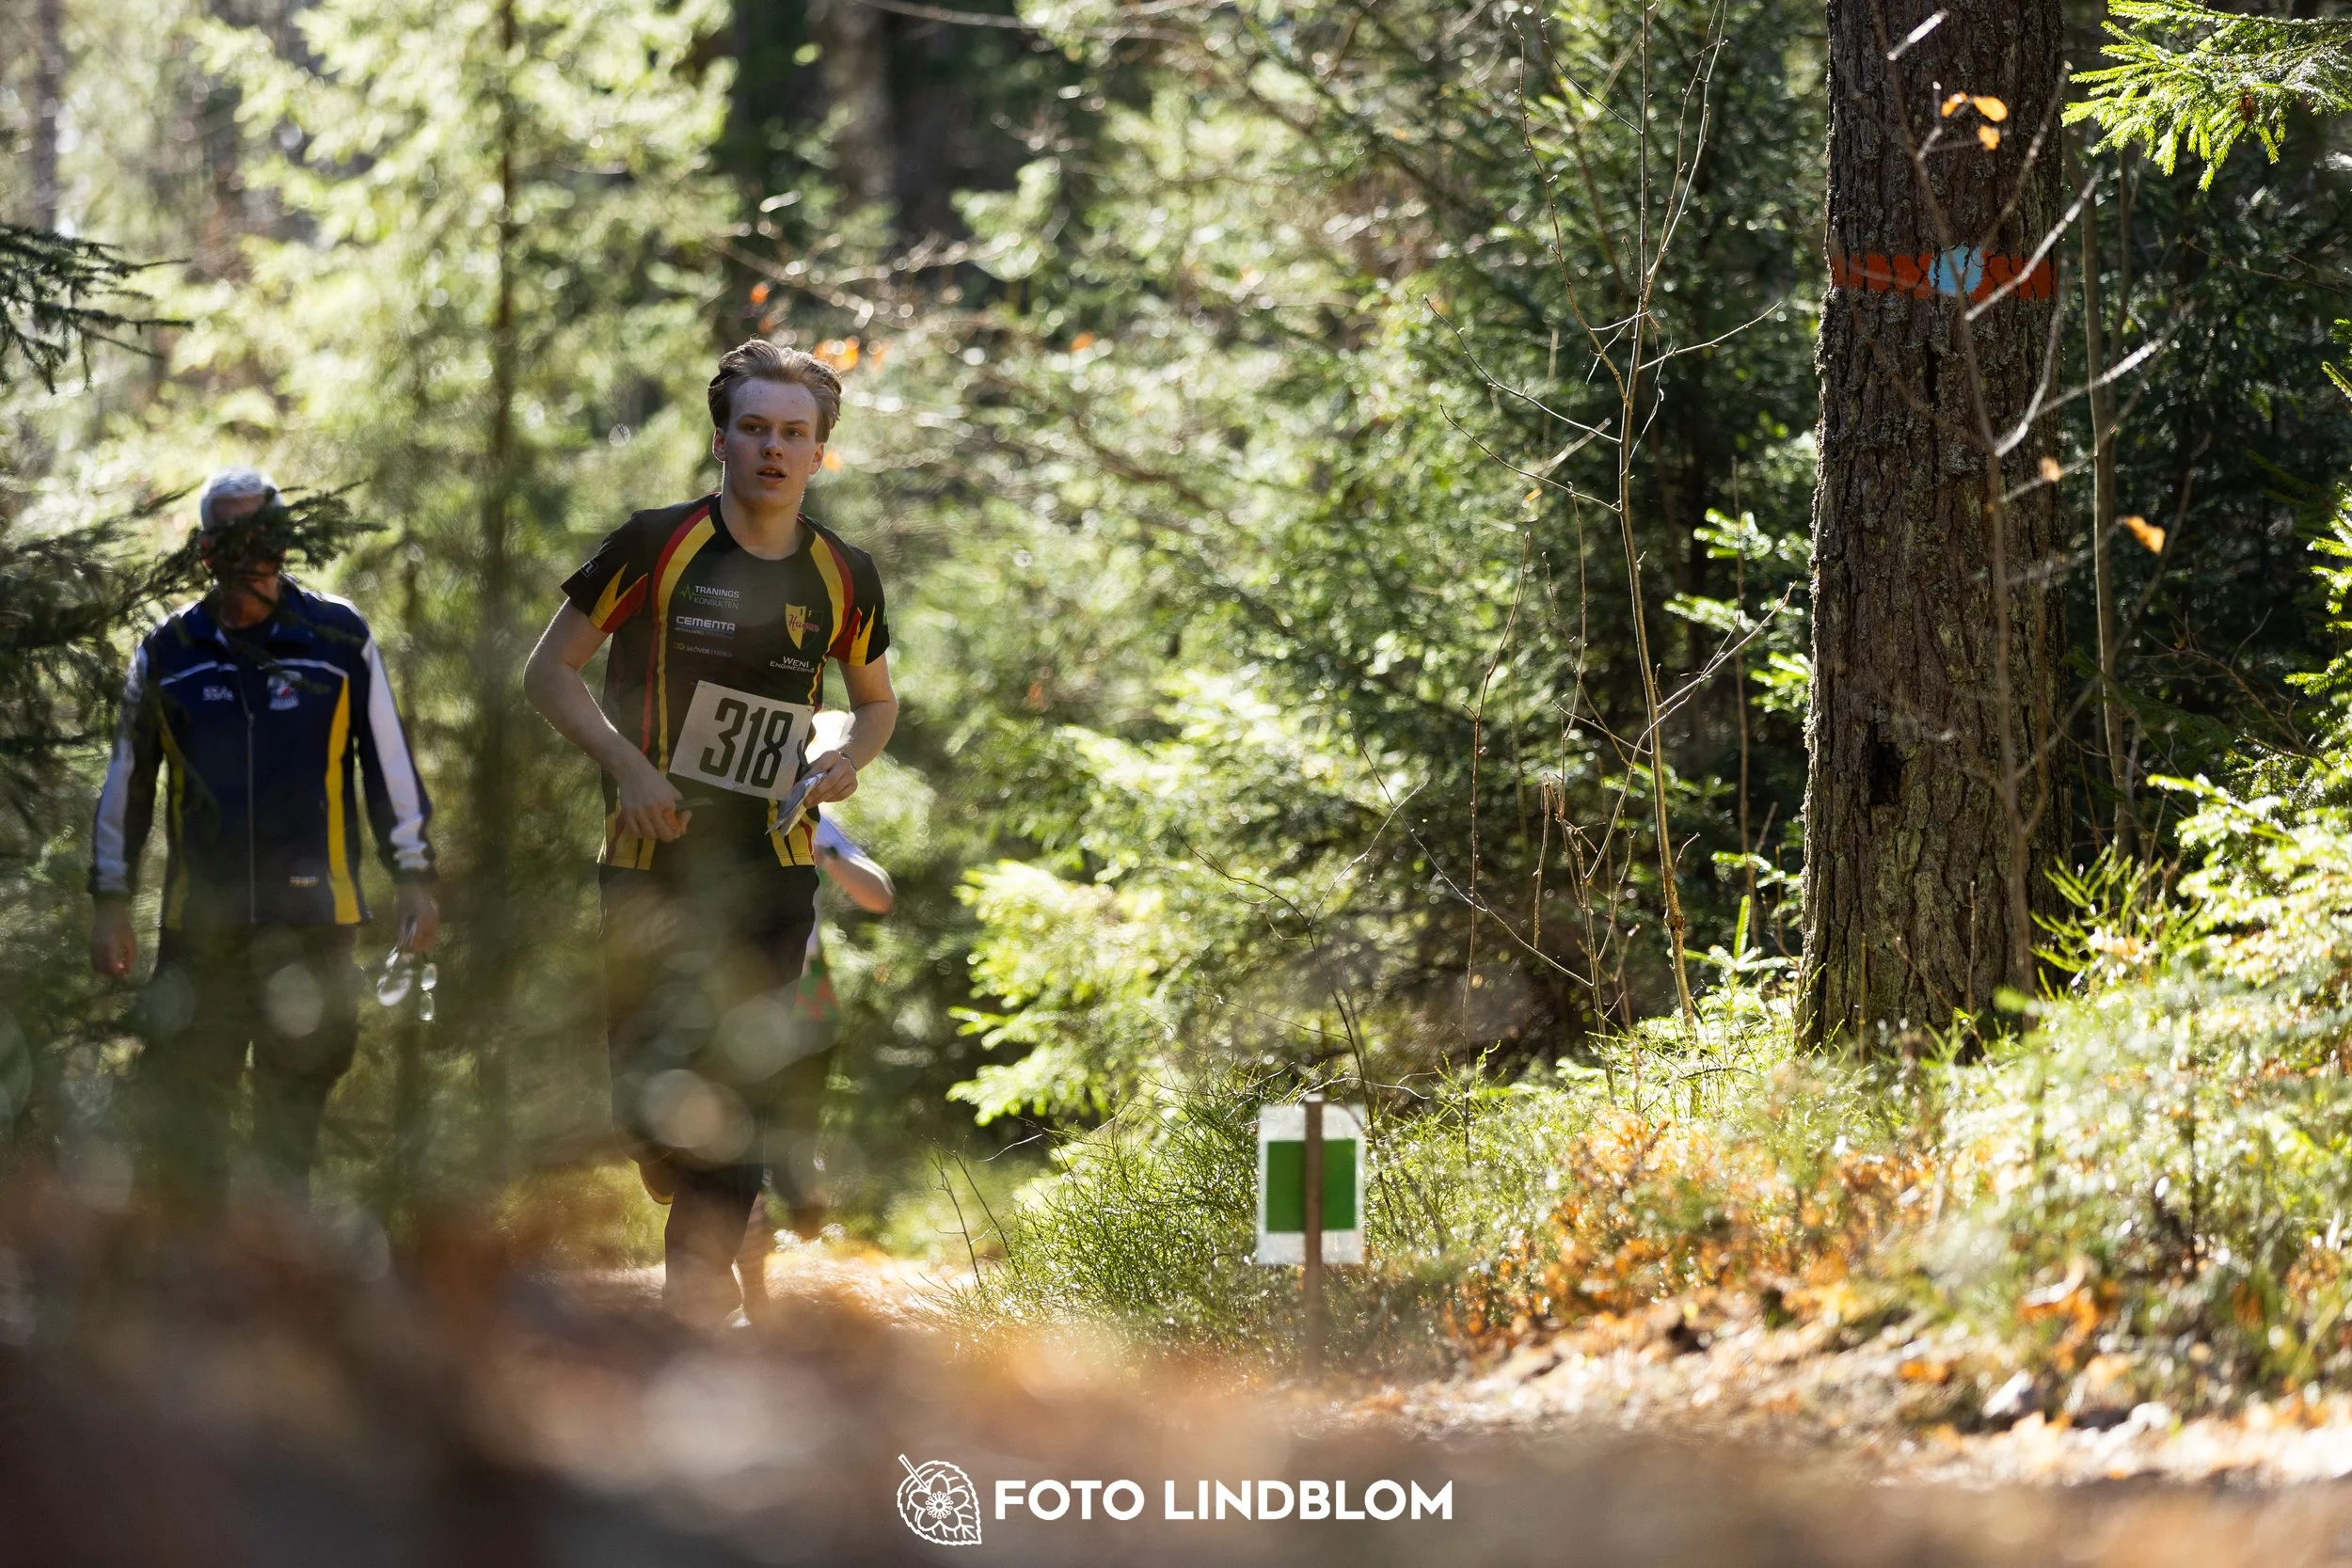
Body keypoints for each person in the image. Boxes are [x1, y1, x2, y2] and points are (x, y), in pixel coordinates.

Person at [522, 341, 898, 1324]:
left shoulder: (843, 574)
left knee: (738, 1092)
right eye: (755, 429)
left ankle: (693, 1306)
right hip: (652, 860)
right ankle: (664, 1160)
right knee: (649, 1107)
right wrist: (632, 769)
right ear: (722, 439)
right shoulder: (653, 545)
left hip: (774, 867)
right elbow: (547, 671)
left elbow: (876, 702)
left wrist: (848, 759)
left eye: (794, 434)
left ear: (820, 453)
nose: (774, 449)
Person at [89, 467, 438, 1208]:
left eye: (264, 534)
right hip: (200, 931)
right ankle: (201, 1287)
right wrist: (109, 897)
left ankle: (277, 1289)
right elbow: (127, 783)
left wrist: (414, 875)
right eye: (230, 538)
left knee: (290, 1125)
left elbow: (389, 767)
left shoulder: (338, 637)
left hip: (316, 923)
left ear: (284, 540)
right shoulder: (167, 651)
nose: (251, 553)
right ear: (205, 552)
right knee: (191, 1124)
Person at [736, 772, 894, 1318]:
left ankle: (803, 1192)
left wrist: (824, 853)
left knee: (790, 1146)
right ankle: (753, 1299)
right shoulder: (705, 804)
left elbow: (879, 896)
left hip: (806, 1001)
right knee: (740, 1151)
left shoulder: (810, 812)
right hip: (730, 1004)